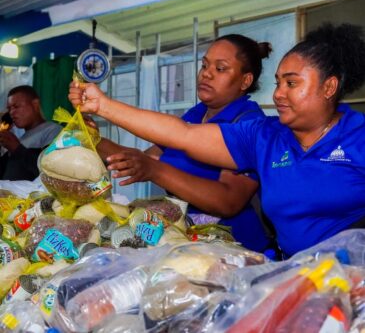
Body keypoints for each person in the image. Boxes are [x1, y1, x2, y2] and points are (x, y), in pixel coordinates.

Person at [70, 23, 365, 258]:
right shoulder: (265, 136)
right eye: (277, 83)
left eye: (291, 83)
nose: (278, 94)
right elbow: (181, 135)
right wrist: (102, 106)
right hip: (292, 273)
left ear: (329, 87)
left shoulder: (358, 138)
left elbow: (226, 199)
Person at [90, 34, 273, 252]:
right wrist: (93, 139)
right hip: (190, 242)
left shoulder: (249, 123)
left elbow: (228, 200)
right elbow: (143, 160)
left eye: (220, 69)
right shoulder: (196, 115)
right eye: (204, 65)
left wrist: (156, 171)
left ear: (245, 81)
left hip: (236, 250)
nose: (206, 73)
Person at [0, 85, 62, 181]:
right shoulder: (20, 139)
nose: (11, 112)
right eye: (9, 109)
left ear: (35, 104)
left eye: (16, 106)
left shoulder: (53, 130)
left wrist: (17, 148)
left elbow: (51, 171)